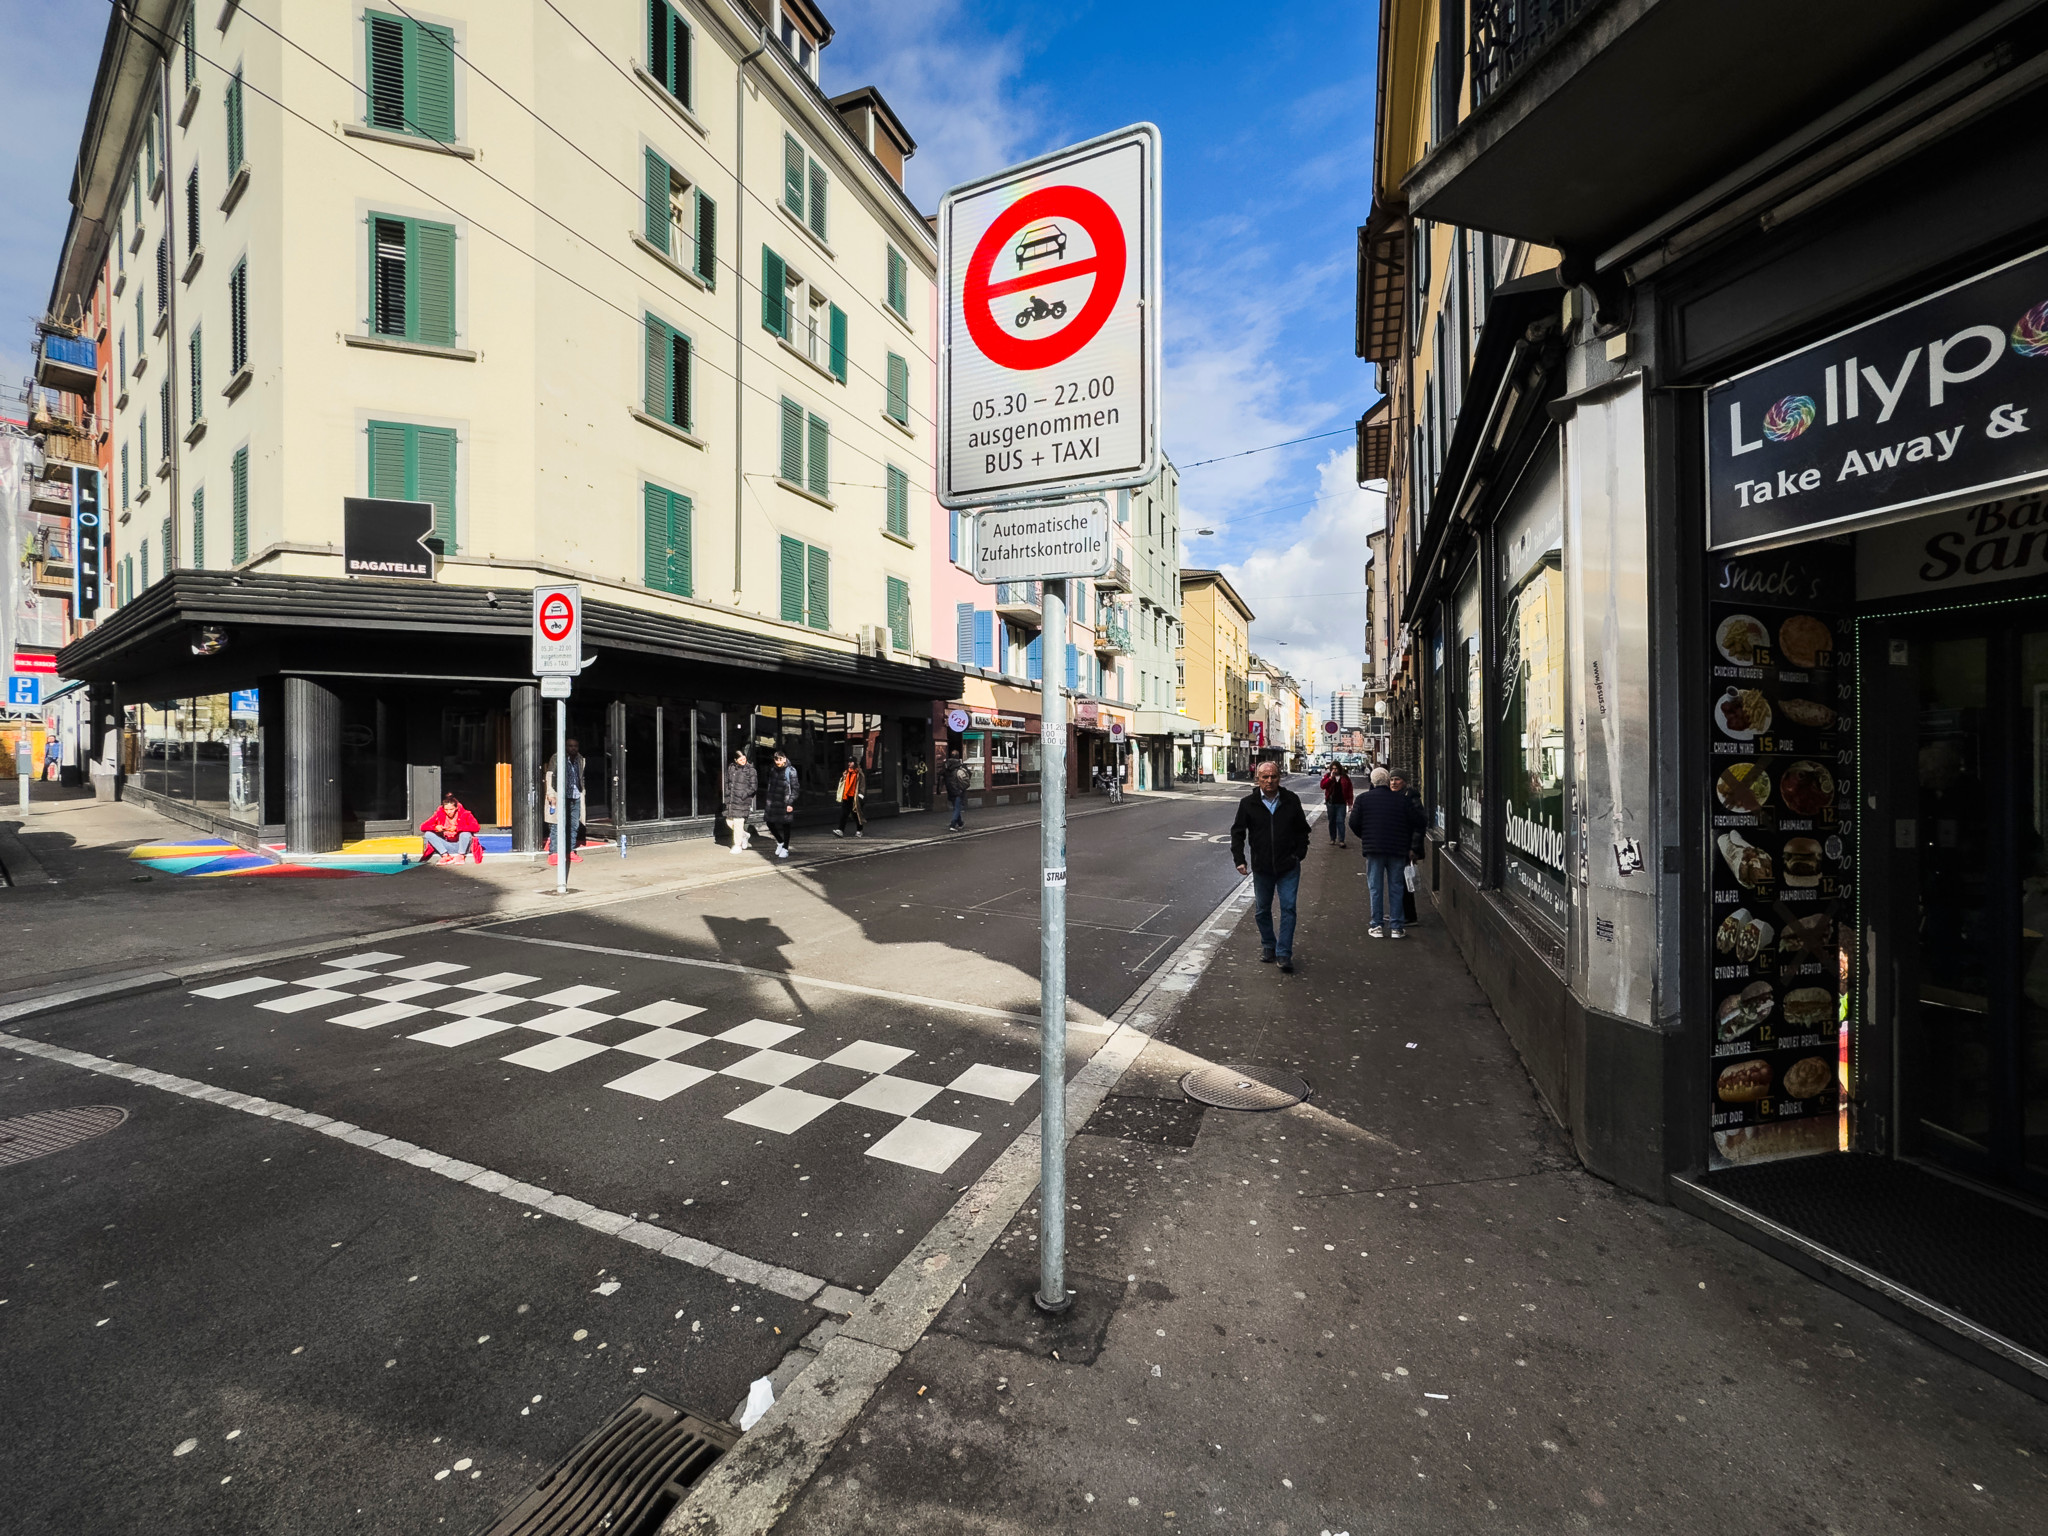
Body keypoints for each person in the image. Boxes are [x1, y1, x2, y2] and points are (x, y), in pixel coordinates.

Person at [1231, 759, 1311, 973]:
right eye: (1264, 777)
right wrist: (1239, 859)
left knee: (1288, 908)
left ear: (1279, 778)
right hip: (1262, 867)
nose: (1269, 780)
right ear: (1257, 779)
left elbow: (1302, 830)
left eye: (1273, 776)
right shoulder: (1248, 803)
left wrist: (1299, 854)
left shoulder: (1291, 800)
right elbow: (1238, 833)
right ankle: (1268, 945)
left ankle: (1284, 953)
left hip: (1288, 866)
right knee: (1262, 910)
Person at [1349, 766, 1425, 938]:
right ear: (1387, 780)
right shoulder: (1402, 800)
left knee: (1375, 887)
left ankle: (1376, 925)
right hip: (1397, 849)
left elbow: (1353, 823)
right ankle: (1397, 927)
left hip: (1374, 849)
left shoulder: (1363, 799)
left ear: (1372, 781)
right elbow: (1418, 821)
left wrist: (1366, 836)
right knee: (1396, 887)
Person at [1389, 770, 1423, 926]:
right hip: (1399, 844)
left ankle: (1409, 916)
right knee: (1399, 880)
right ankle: (1400, 913)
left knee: (1404, 881)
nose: (1393, 783)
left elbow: (1419, 824)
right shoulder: (1399, 797)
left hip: (1407, 846)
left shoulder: (1410, 797)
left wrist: (1414, 848)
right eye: (1391, 780)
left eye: (1397, 780)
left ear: (1405, 781)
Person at [544, 738, 586, 866]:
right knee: (557, 824)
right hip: (560, 795)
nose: (573, 748)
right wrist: (550, 793)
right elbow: (550, 775)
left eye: (575, 746)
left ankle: (570, 851)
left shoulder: (580, 759)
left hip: (575, 795)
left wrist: (582, 792)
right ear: (565, 746)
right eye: (570, 746)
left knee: (574, 824)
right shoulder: (557, 757)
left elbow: (580, 777)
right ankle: (554, 853)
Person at [420, 790, 483, 864]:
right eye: (446, 809)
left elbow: (476, 827)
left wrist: (457, 828)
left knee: (465, 834)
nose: (449, 812)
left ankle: (461, 856)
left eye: (451, 809)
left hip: (463, 845)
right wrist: (435, 827)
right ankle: (445, 856)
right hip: (447, 845)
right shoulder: (439, 815)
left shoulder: (465, 814)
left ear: (456, 808)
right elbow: (423, 827)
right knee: (428, 834)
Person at [765, 748, 800, 859]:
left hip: (785, 802)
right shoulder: (773, 770)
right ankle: (780, 842)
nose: (778, 762)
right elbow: (770, 785)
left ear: (785, 759)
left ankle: (785, 848)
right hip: (773, 801)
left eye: (780, 759)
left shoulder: (791, 770)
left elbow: (795, 789)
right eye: (776, 760)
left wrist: (790, 803)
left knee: (786, 826)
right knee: (769, 822)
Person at [722, 749, 758, 855]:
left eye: (744, 758)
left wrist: (744, 795)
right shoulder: (731, 768)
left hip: (743, 801)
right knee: (729, 821)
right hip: (732, 800)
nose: (743, 761)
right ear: (735, 760)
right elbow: (727, 782)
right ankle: (744, 835)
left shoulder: (751, 770)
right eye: (740, 759)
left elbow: (753, 786)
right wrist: (727, 793)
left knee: (738, 822)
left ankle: (737, 845)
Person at [1319, 762, 1354, 847]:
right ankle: (1332, 838)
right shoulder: (1328, 776)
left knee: (1340, 821)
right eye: (1333, 769)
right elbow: (1322, 786)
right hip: (1331, 803)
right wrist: (1330, 778)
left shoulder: (1345, 777)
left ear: (1339, 768)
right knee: (1332, 821)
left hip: (1341, 803)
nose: (1334, 770)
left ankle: (1341, 840)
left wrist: (1350, 804)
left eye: (1336, 768)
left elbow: (1349, 790)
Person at [834, 756, 866, 837]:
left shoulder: (859, 773)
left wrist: (860, 795)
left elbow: (862, 785)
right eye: (848, 762)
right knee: (844, 814)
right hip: (846, 796)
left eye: (851, 762)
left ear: (855, 763)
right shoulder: (847, 772)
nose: (849, 763)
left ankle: (859, 830)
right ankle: (840, 830)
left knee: (856, 814)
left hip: (854, 797)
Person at [941, 747, 971, 831]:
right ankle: (953, 824)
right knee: (957, 808)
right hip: (958, 790)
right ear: (958, 756)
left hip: (950, 790)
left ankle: (960, 823)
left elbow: (941, 776)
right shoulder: (960, 766)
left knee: (956, 807)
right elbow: (968, 775)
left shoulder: (946, 766)